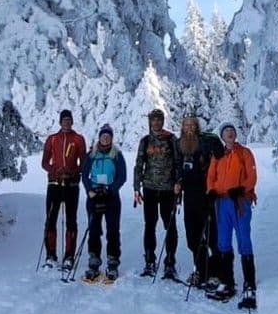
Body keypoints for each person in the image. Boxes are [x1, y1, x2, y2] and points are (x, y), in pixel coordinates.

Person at [206, 123, 258, 309]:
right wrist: (211, 191)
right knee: (223, 242)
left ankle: (249, 283)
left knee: (244, 239)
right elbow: (211, 177)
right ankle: (227, 282)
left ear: (235, 134)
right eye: (226, 131)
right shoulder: (218, 155)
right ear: (222, 136)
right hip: (222, 203)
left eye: (232, 131)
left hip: (240, 201)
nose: (230, 133)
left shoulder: (244, 153)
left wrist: (243, 189)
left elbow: (252, 175)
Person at [133, 108, 182, 279]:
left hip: (168, 189)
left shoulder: (171, 139)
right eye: (153, 119)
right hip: (150, 189)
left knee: (170, 226)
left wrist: (178, 183)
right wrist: (136, 187)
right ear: (150, 122)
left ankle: (170, 262)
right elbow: (139, 165)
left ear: (163, 121)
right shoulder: (145, 141)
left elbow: (178, 163)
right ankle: (149, 261)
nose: (156, 122)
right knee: (149, 225)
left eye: (159, 119)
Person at [177, 114, 224, 289]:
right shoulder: (179, 144)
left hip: (207, 195)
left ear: (197, 126)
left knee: (212, 236)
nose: (189, 127)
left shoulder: (207, 140)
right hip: (189, 197)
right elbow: (177, 167)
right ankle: (201, 270)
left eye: (192, 124)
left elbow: (220, 156)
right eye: (186, 124)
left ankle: (215, 273)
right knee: (193, 238)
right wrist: (178, 182)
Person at [40, 109, 87, 269]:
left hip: (72, 185)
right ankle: (51, 255)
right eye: (64, 120)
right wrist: (55, 170)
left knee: (71, 221)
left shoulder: (79, 139)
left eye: (69, 120)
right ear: (60, 122)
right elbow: (44, 162)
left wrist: (73, 171)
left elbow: (84, 163)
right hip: (54, 184)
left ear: (72, 122)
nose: (66, 122)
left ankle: (69, 256)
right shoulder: (52, 139)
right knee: (51, 220)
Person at [81, 124, 127, 281]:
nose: (105, 138)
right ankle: (94, 260)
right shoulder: (91, 155)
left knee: (112, 229)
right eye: (103, 136)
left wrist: (111, 190)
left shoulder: (117, 155)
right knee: (94, 229)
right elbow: (84, 175)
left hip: (111, 197)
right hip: (94, 196)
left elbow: (122, 177)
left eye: (108, 136)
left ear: (111, 139)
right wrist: (89, 190)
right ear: (99, 137)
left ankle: (113, 261)